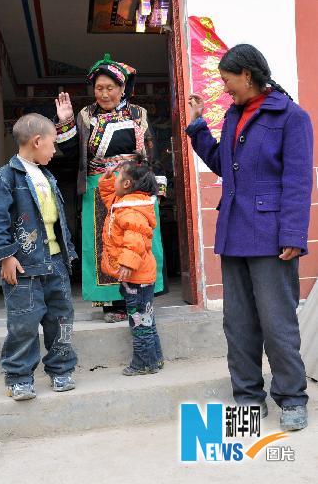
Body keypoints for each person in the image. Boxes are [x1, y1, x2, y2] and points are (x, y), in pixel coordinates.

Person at [186, 44, 313, 431]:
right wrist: (197, 127)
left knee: (277, 323)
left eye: (228, 80)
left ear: (248, 74)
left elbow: (298, 180)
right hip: (234, 234)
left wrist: (293, 234)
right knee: (238, 324)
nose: (225, 88)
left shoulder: (292, 117)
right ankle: (248, 398)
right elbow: (224, 165)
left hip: (272, 238)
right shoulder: (233, 116)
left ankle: (291, 398)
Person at [55, 54, 167, 322]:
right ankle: (113, 303)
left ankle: (141, 298)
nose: (104, 94)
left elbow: (151, 152)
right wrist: (66, 121)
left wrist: (157, 190)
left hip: (136, 186)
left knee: (137, 240)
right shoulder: (86, 115)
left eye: (110, 88)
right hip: (100, 188)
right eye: (98, 88)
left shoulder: (138, 114)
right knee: (105, 243)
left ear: (122, 88)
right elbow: (73, 155)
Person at [0, 114, 78, 401]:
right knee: (23, 325)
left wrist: (68, 254)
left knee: (61, 320)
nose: (54, 150)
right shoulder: (5, 177)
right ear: (37, 141)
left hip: (55, 263)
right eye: (53, 144)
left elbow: (56, 222)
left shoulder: (47, 176)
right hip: (23, 267)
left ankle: (61, 370)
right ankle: (19, 377)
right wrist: (5, 256)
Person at [98, 156, 163, 375]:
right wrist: (108, 179)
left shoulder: (131, 210)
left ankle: (143, 363)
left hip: (136, 277)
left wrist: (127, 263)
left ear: (127, 184)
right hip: (138, 277)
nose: (114, 180)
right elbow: (109, 198)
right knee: (146, 319)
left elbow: (136, 239)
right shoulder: (125, 203)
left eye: (117, 177)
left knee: (139, 322)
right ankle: (155, 359)